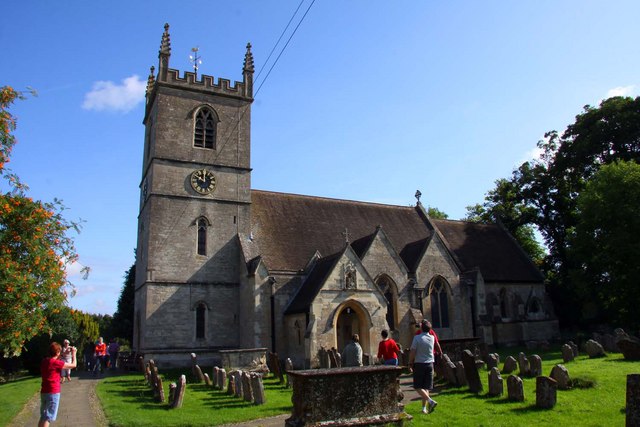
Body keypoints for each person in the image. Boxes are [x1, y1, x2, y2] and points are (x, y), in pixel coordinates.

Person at [39, 342, 77, 427]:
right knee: (48, 417)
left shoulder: (45, 361)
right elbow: (73, 365)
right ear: (57, 352)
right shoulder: (56, 363)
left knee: (43, 416)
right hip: (53, 392)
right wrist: (74, 354)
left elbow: (55, 359)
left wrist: (65, 353)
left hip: (44, 391)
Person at [409, 319, 438, 414]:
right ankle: (423, 409)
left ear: (421, 328)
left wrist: (410, 362)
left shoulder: (417, 338)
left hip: (420, 364)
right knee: (425, 387)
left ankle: (430, 401)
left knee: (418, 387)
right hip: (430, 364)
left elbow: (413, 352)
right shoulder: (432, 338)